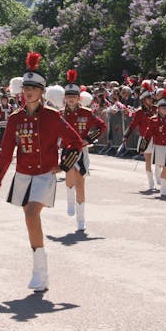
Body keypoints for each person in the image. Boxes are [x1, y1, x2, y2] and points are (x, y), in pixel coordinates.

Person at [0, 53, 84, 292]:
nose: (29, 91)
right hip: (22, 175)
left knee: (32, 213)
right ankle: (39, 266)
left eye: (34, 87)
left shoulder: (52, 117)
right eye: (26, 87)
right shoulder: (14, 119)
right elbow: (5, 151)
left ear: (42, 91)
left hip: (44, 174)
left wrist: (63, 165)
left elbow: (75, 141)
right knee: (29, 219)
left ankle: (40, 273)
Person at [61, 69, 106, 230]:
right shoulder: (60, 115)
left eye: (74, 97)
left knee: (80, 183)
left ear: (78, 98)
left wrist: (88, 139)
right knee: (69, 175)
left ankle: (81, 219)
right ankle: (69, 199)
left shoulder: (86, 113)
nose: (71, 99)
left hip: (82, 151)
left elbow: (101, 126)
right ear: (64, 98)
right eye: (68, 97)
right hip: (67, 150)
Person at [124, 89, 157, 190]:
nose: (151, 100)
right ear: (143, 100)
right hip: (145, 138)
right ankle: (151, 182)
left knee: (159, 160)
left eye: (151, 98)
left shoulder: (156, 109)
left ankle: (159, 178)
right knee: (148, 161)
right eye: (148, 98)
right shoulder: (139, 112)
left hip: (157, 138)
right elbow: (132, 125)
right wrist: (126, 136)